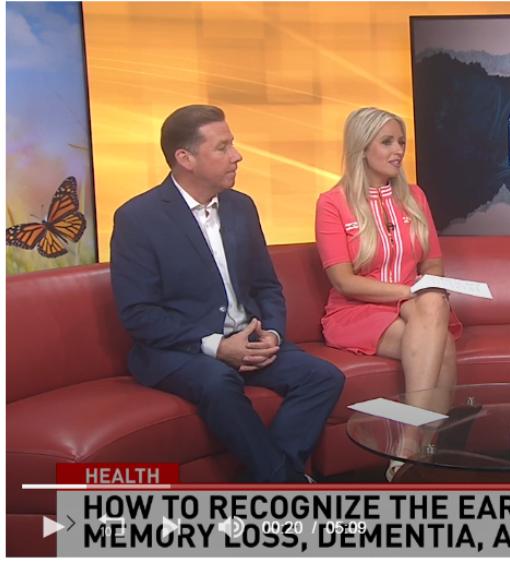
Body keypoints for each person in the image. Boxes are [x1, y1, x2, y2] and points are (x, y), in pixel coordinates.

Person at [111, 105, 344, 483]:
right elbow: (139, 314)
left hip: (250, 341)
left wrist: (272, 334)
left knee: (323, 377)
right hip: (181, 350)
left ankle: (268, 482)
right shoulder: (138, 218)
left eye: (232, 145)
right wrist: (218, 347)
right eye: (223, 148)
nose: (237, 156)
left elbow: (267, 286)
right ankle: (284, 485)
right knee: (220, 382)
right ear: (185, 158)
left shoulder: (241, 207)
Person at [315, 107, 462, 481]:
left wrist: (421, 291)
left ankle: (412, 444)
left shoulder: (414, 196)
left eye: (401, 142)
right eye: (387, 142)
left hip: (415, 309)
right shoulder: (332, 203)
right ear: (362, 148)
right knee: (439, 339)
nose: (398, 150)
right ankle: (424, 445)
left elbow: (433, 266)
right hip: (357, 311)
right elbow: (344, 282)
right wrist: (408, 292)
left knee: (433, 300)